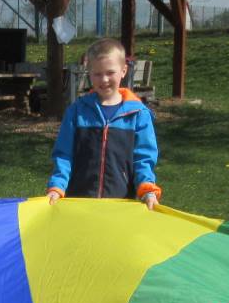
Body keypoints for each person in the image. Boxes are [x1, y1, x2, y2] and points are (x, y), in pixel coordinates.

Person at [45, 38, 161, 207]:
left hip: (121, 204)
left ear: (123, 71)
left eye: (110, 73)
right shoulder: (76, 111)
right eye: (97, 74)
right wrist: (57, 187)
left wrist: (147, 190)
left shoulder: (139, 114)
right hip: (78, 202)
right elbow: (64, 154)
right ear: (89, 73)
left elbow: (143, 158)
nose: (104, 79)